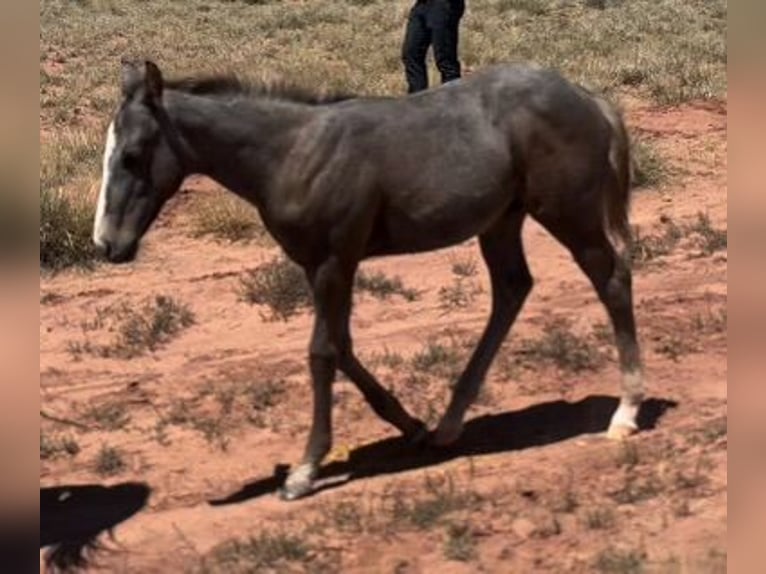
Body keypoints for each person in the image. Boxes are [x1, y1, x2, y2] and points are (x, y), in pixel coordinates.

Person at [401, 0, 466, 94]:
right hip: (422, 5)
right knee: (411, 53)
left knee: (445, 60)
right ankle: (418, 100)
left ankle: (452, 102)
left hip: (444, 5)